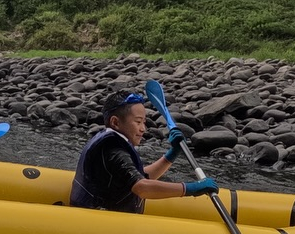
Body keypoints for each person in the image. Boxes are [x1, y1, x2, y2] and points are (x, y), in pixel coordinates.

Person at [70, 90, 218, 212]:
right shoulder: (113, 149)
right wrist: (190, 188)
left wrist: (172, 154)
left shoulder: (111, 143)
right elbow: (141, 187)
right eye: (138, 122)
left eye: (144, 122)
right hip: (98, 219)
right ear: (115, 122)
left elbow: (141, 176)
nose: (143, 129)